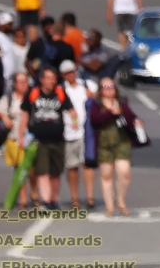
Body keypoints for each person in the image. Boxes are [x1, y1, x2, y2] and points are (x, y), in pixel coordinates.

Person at [18, 67, 78, 210]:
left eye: (54, 78)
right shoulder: (33, 93)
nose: (52, 81)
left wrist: (74, 122)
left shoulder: (60, 93)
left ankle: (53, 200)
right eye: (49, 78)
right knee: (42, 172)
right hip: (39, 140)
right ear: (42, 79)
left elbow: (71, 110)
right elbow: (25, 116)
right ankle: (45, 201)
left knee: (55, 172)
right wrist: (21, 136)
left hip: (57, 139)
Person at [89, 78, 138, 216]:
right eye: (105, 87)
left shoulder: (122, 103)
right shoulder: (96, 105)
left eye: (111, 86)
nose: (109, 89)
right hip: (104, 145)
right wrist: (110, 112)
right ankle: (109, 206)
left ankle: (121, 200)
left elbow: (131, 118)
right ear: (100, 90)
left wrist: (137, 122)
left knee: (124, 172)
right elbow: (96, 119)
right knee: (106, 176)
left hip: (122, 143)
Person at [0, 72, 37, 208]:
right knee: (20, 169)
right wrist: (4, 117)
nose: (24, 85)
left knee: (33, 169)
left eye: (26, 82)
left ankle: (34, 193)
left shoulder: (33, 97)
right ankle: (23, 198)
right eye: (21, 82)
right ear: (15, 84)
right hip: (14, 138)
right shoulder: (9, 99)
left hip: (31, 137)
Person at [59, 61, 97, 210]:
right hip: (68, 131)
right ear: (63, 75)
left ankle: (90, 197)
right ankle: (74, 197)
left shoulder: (87, 85)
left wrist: (93, 96)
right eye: (67, 72)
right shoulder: (61, 89)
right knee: (72, 166)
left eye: (72, 71)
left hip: (86, 131)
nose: (71, 74)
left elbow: (100, 98)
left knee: (88, 164)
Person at [0, 13, 18, 88]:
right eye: (9, 24)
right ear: (2, 25)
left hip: (10, 80)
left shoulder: (8, 37)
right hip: (3, 79)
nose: (11, 26)